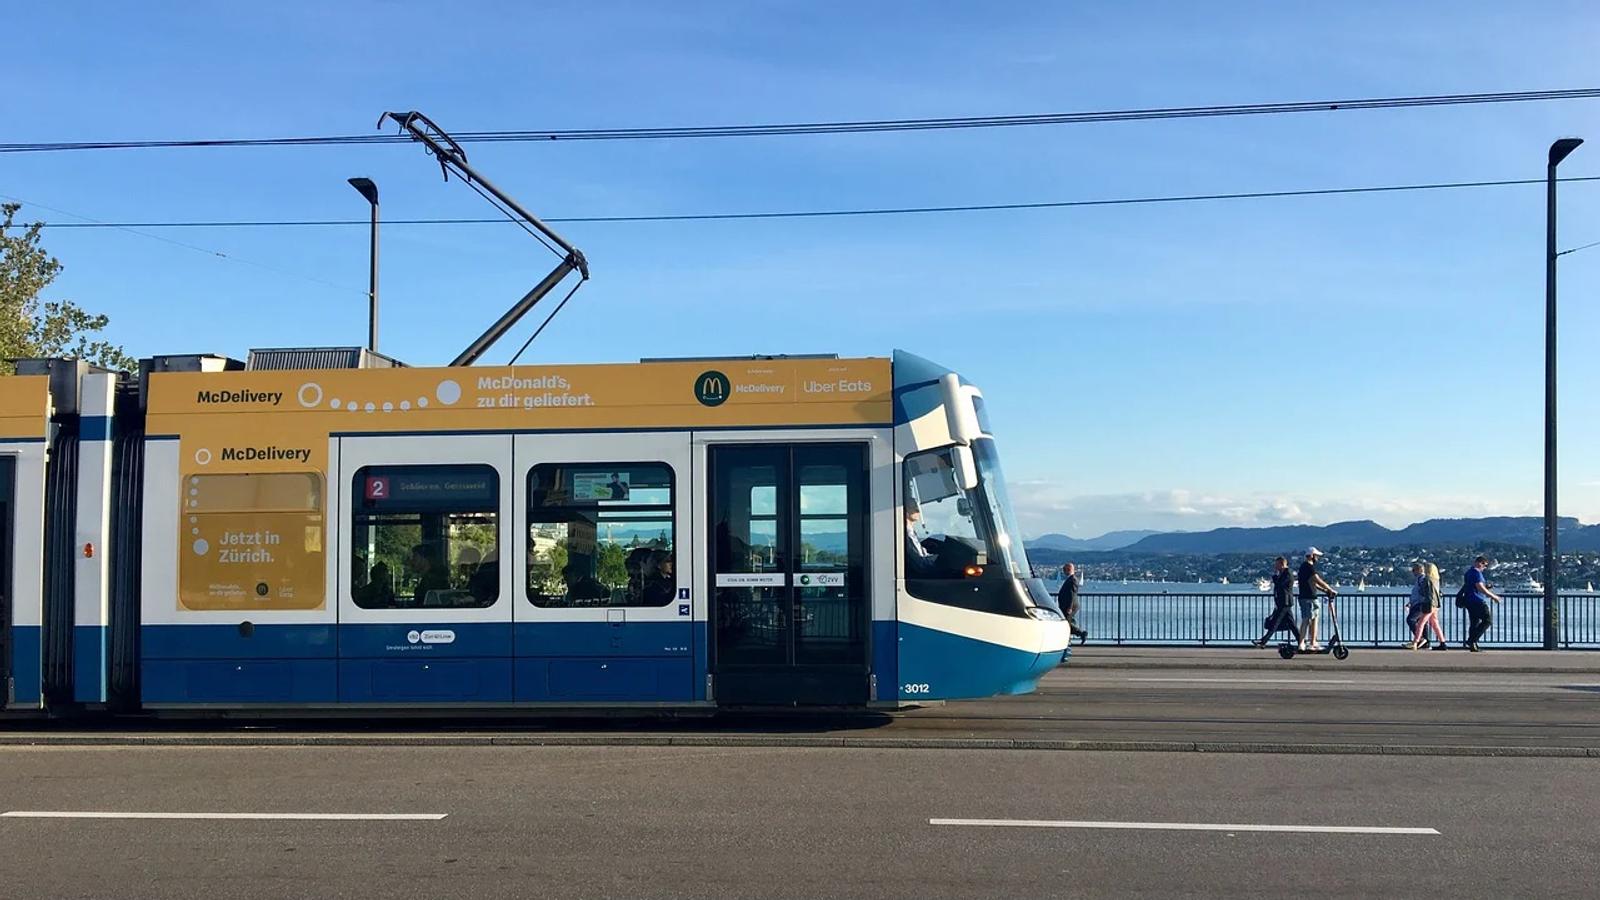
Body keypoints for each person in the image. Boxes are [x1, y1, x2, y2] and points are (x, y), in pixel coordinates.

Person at [1253, 556, 1302, 648]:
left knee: (1275, 622)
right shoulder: (1282, 573)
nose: (1275, 567)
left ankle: (1263, 641)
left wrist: (1275, 577)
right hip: (1282, 602)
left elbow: (1281, 585)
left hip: (1285, 602)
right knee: (1291, 624)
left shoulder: (1287, 573)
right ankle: (1301, 641)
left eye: (1277, 564)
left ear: (1282, 564)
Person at [1296, 547, 1337, 651]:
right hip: (1309, 597)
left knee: (1312, 620)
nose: (1317, 558)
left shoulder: (1304, 567)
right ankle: (1304, 643)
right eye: (1316, 556)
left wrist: (1325, 590)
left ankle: (1311, 642)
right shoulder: (1308, 567)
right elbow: (1317, 580)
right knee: (1308, 620)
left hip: (1307, 597)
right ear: (1311, 556)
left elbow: (1313, 583)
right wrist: (1329, 588)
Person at [1461, 555, 1502, 652]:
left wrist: (1485, 587)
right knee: (1487, 620)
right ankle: (1472, 640)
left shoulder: (1468, 572)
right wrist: (1493, 596)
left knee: (1474, 622)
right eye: (1484, 565)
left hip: (1469, 600)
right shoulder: (1476, 573)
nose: (1484, 567)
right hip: (1477, 600)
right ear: (1478, 563)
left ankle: (1473, 645)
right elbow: (1479, 587)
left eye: (1485, 565)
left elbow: (1474, 586)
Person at [904, 500, 936, 577]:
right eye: (914, 507)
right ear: (905, 512)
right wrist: (938, 558)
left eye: (917, 507)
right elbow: (918, 563)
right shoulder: (904, 536)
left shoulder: (912, 533)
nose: (918, 510)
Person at [1058, 562, 1088, 644]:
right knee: (1068, 622)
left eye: (1064, 569)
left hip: (1069, 606)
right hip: (1068, 605)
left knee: (1066, 623)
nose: (1063, 571)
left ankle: (1080, 634)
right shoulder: (1071, 579)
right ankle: (1075, 636)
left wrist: (1070, 607)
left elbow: (1072, 594)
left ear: (1068, 570)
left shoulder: (1072, 580)